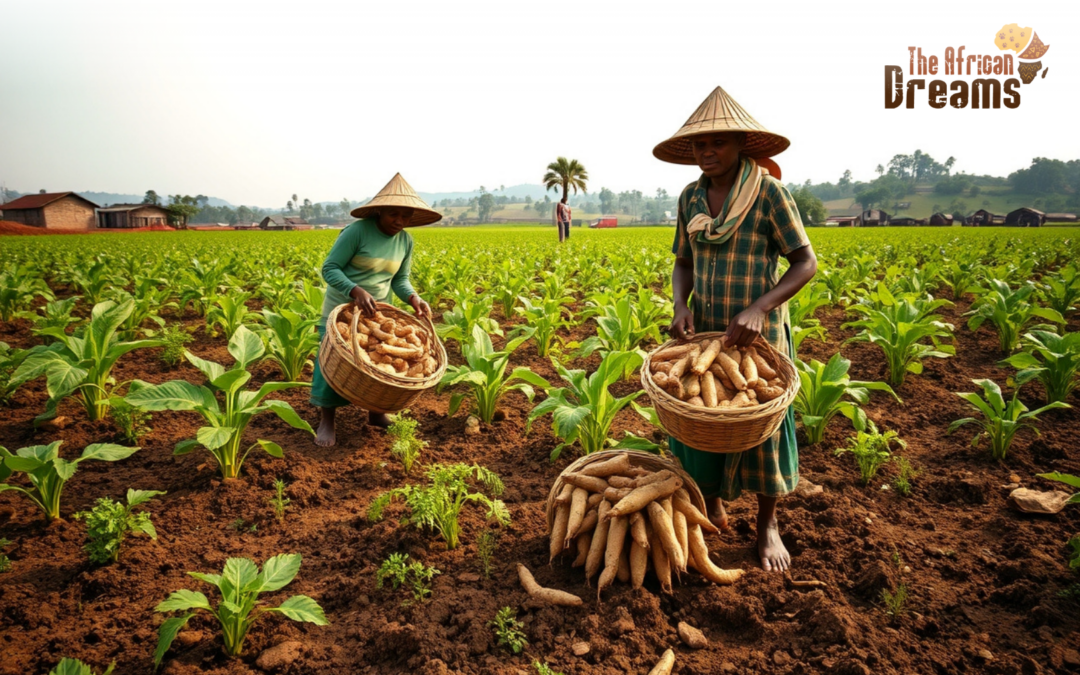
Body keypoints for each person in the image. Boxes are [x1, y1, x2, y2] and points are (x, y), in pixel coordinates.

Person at [653, 86, 818, 572]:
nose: (708, 153)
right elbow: (683, 261)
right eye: (701, 146)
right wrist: (680, 304)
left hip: (755, 337)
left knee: (761, 420)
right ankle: (712, 502)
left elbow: (805, 262)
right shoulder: (691, 197)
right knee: (700, 417)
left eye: (718, 144)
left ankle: (767, 523)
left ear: (742, 145)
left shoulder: (769, 193)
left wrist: (761, 307)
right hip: (704, 332)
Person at [311, 173, 438, 447]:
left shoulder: (405, 241)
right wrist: (355, 290)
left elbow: (400, 280)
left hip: (378, 314)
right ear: (379, 211)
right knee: (332, 363)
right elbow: (329, 268)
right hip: (341, 310)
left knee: (378, 365)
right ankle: (327, 419)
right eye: (393, 214)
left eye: (405, 217)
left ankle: (376, 413)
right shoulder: (357, 232)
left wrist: (413, 297)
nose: (399, 222)